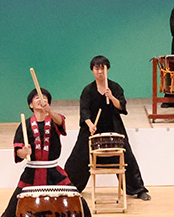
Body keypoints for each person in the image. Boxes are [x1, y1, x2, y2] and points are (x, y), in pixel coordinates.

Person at [0, 89, 104, 217]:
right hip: (32, 172)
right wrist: (24, 152)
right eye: (37, 98)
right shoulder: (25, 125)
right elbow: (18, 151)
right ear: (30, 104)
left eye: (45, 98)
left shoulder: (54, 120)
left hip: (53, 171)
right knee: (12, 208)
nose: (41, 100)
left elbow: (61, 121)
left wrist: (49, 110)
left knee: (80, 204)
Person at [64, 56, 151, 201]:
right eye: (97, 68)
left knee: (127, 156)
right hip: (91, 128)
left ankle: (138, 189)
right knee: (78, 157)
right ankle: (68, 187)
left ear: (107, 70)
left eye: (102, 68)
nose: (100, 72)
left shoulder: (115, 87)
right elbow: (84, 111)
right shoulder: (88, 90)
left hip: (113, 126)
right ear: (92, 70)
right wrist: (90, 125)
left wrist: (111, 97)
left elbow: (121, 107)